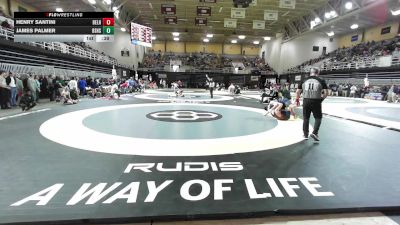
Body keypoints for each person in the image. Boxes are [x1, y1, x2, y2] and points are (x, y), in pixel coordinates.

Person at [296, 67, 328, 142]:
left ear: (310, 72)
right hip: (316, 100)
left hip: (306, 100)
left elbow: (297, 92)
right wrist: (321, 99)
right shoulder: (321, 80)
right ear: (318, 73)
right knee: (318, 117)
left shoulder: (304, 80)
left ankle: (305, 134)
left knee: (306, 118)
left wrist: (297, 100)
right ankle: (315, 132)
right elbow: (326, 93)